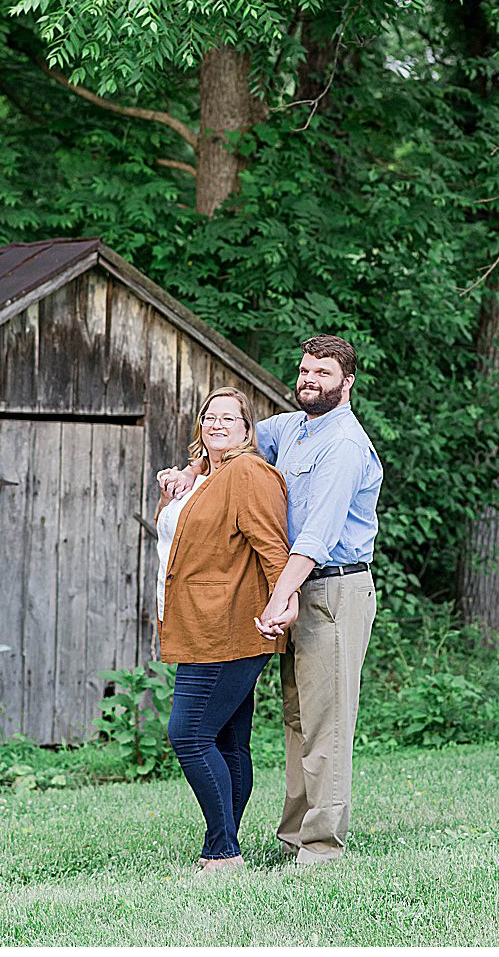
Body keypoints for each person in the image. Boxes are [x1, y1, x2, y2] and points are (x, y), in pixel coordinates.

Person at [160, 334, 383, 867]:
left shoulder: (343, 446)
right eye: (306, 371)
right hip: (296, 588)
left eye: (323, 374)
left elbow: (316, 536)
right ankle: (293, 836)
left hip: (331, 587)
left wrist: (281, 596)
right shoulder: (295, 428)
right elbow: (230, 440)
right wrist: (191, 471)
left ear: (347, 382)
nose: (309, 380)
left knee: (326, 724)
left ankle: (321, 848)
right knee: (297, 719)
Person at [154, 386, 290, 874]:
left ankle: (222, 851)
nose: (216, 424)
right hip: (197, 623)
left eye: (229, 418)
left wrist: (283, 603)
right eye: (210, 416)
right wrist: (179, 488)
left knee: (188, 734)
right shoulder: (204, 478)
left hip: (229, 624)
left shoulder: (248, 473)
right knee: (229, 741)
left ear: (247, 431)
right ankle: (226, 846)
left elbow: (273, 546)